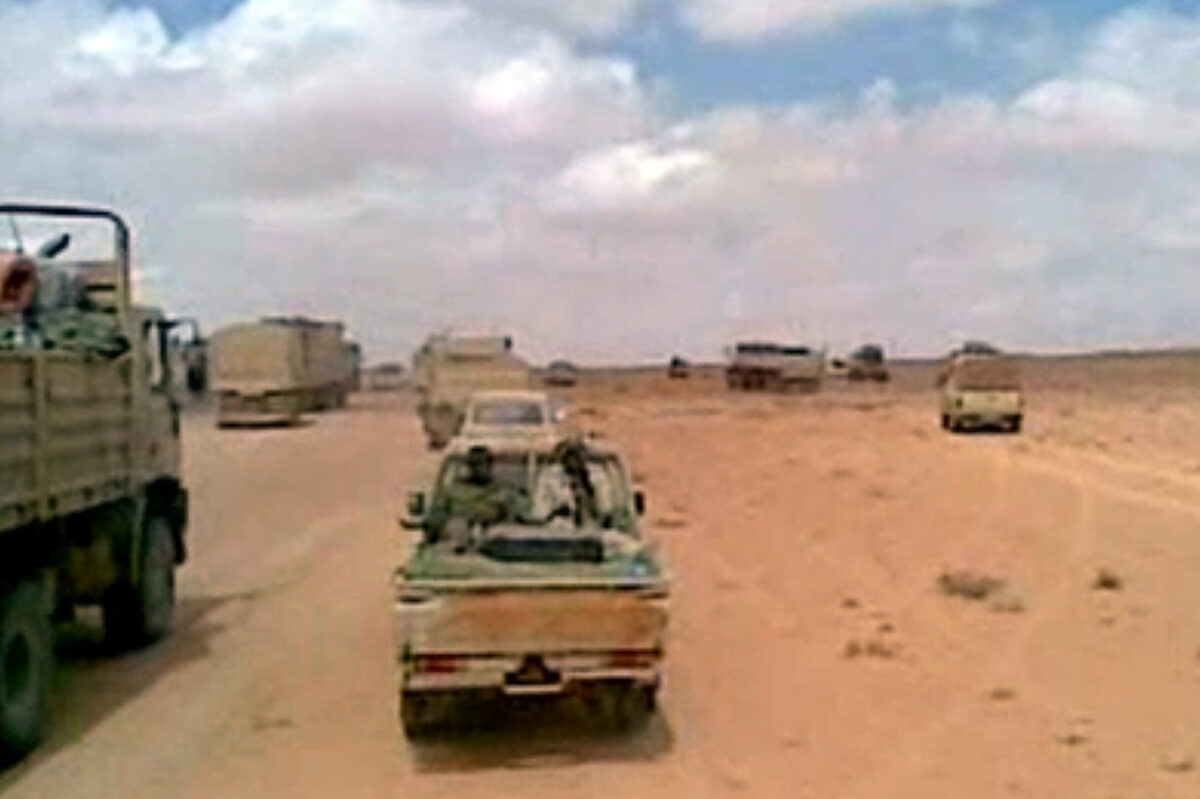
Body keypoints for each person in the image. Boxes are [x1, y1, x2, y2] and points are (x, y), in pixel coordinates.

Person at [424, 445, 529, 544]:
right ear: (468, 466)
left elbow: (523, 518)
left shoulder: (505, 491)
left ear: (490, 465)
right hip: (456, 545)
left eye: (481, 463)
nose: (478, 468)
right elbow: (436, 517)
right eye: (473, 464)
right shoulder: (453, 490)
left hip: (496, 544)